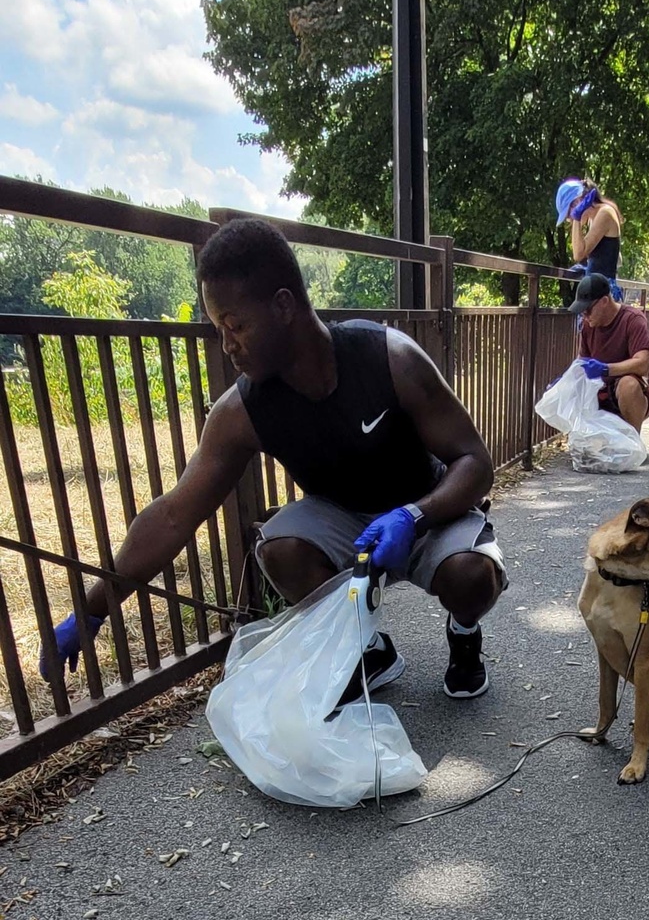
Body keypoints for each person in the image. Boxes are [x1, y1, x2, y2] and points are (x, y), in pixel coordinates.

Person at [40, 218, 506, 703]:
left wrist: (413, 516)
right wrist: (93, 609)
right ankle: (370, 649)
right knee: (280, 549)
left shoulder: (390, 359)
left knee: (470, 576)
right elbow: (175, 514)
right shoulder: (242, 411)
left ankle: (464, 630)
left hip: (423, 504)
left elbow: (475, 461)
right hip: (343, 514)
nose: (227, 344)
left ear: (283, 305)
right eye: (219, 328)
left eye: (236, 325)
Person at [570, 272, 649, 433]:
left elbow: (643, 364)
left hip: (634, 393)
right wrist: (566, 380)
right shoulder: (588, 326)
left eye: (588, 310)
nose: (585, 315)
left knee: (628, 385)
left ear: (604, 301)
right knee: (573, 389)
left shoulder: (633, 319)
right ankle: (591, 441)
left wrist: (606, 368)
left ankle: (632, 443)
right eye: (582, 311)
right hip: (602, 391)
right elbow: (581, 362)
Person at [554, 177, 624, 298]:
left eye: (568, 214)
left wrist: (577, 218)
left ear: (577, 202)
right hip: (596, 289)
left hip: (603, 294)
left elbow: (578, 254)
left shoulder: (605, 213)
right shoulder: (594, 218)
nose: (569, 220)